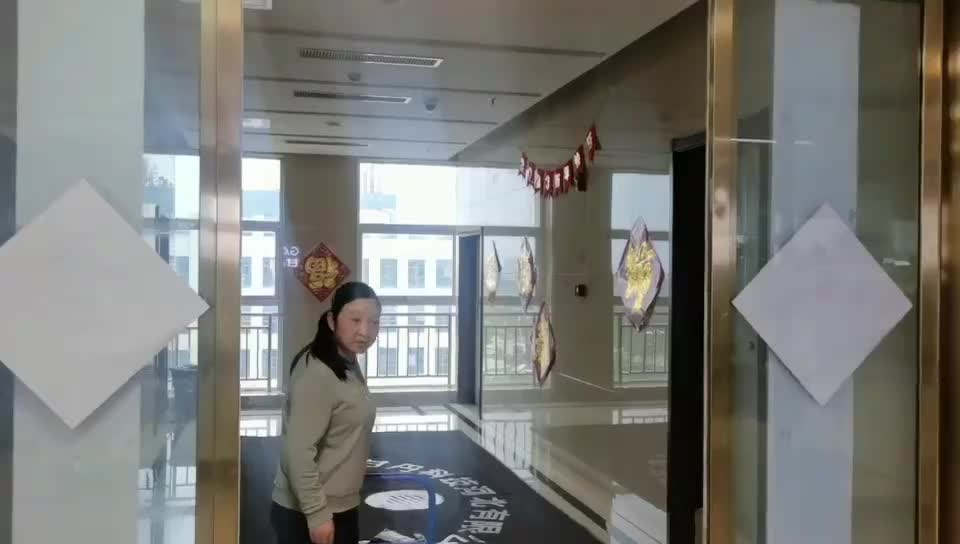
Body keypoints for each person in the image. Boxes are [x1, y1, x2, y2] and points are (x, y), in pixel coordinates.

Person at [271, 282, 381, 544]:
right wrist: (317, 514)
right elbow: (297, 452)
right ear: (332, 320)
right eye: (355, 320)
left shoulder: (345, 359)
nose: (365, 332)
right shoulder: (318, 373)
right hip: (312, 512)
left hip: (339, 504)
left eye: (374, 322)